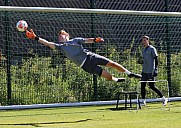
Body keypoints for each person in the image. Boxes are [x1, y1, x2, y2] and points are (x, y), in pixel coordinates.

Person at [25, 29, 142, 82]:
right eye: (59, 36)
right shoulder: (60, 46)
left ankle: (129, 74)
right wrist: (35, 38)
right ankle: (116, 80)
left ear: (67, 36)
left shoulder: (75, 40)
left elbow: (87, 40)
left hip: (91, 56)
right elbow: (47, 43)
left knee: (112, 63)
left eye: (62, 35)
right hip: (85, 65)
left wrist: (96, 40)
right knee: (108, 75)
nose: (60, 37)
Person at [140, 36, 167, 106]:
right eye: (143, 41)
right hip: (144, 71)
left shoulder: (152, 49)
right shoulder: (144, 50)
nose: (144, 42)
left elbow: (156, 59)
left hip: (150, 71)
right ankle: (143, 101)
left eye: (145, 40)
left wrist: (156, 69)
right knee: (142, 85)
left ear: (148, 41)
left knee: (152, 86)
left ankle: (163, 98)